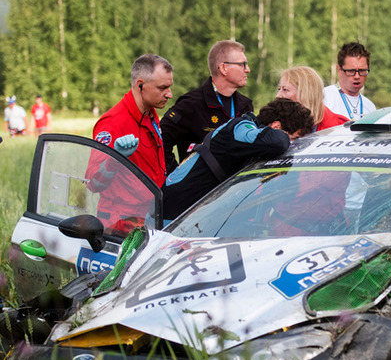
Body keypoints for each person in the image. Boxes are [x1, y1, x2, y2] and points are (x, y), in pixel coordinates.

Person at [162, 98, 314, 221]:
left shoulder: (255, 139)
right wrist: (283, 137)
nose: (292, 146)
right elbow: (278, 141)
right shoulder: (241, 127)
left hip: (186, 209)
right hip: (172, 208)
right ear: (276, 126)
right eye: (294, 139)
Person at [90, 53, 173, 232]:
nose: (170, 94)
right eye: (162, 87)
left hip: (148, 217)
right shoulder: (112, 124)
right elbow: (93, 183)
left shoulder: (150, 114)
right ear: (140, 85)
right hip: (120, 224)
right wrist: (115, 159)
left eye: (169, 87)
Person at [161, 40, 254, 173]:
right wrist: (176, 175)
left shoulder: (245, 106)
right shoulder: (192, 104)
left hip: (234, 190)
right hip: (200, 191)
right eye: (242, 64)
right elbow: (161, 139)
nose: (248, 69)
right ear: (223, 68)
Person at [276, 66, 349, 131]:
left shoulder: (340, 127)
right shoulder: (274, 125)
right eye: (279, 89)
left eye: (285, 89)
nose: (278, 95)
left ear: (306, 94)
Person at [323, 42, 376, 121]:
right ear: (339, 69)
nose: (357, 76)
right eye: (351, 71)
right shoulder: (324, 98)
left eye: (362, 71)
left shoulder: (370, 107)